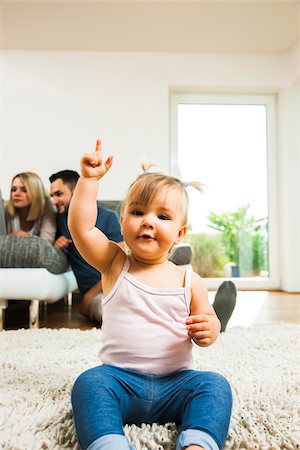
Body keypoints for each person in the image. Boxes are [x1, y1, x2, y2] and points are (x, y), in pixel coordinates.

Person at [68, 139, 233, 450]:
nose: (148, 221)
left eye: (163, 216)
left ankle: (198, 443)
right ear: (122, 222)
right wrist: (89, 181)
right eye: (138, 211)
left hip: (177, 384)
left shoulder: (190, 281)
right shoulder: (115, 263)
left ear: (180, 234)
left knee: (215, 386)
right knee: (89, 384)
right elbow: (82, 228)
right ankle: (109, 444)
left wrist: (209, 329)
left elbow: (207, 326)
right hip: (118, 380)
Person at [49, 170, 124, 322]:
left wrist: (90, 295)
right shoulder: (59, 219)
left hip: (115, 287)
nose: (54, 201)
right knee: (107, 313)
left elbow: (121, 265)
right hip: (100, 298)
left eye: (59, 194)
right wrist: (55, 243)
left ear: (76, 190)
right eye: (52, 196)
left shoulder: (108, 217)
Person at [5, 172, 56, 243]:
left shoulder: (47, 207)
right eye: (13, 189)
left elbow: (47, 243)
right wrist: (12, 236)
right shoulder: (4, 209)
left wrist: (26, 237)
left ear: (36, 192)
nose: (16, 194)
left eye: (24, 190)